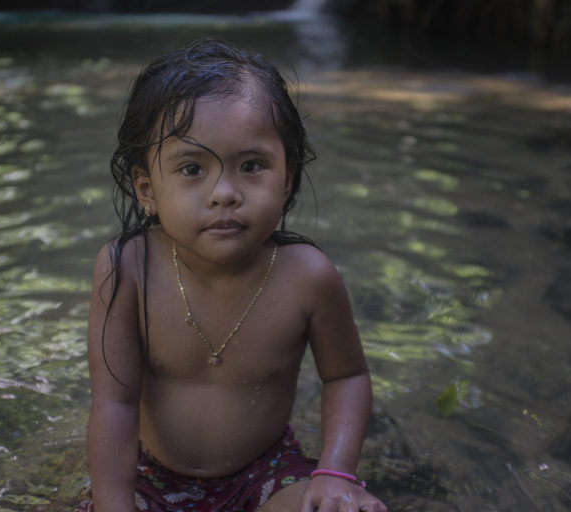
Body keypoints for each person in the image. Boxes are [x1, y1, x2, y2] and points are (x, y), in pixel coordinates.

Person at [82, 39, 387, 512]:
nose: (224, 192)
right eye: (190, 169)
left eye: (251, 166)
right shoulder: (127, 269)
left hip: (266, 473)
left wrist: (335, 474)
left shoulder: (308, 276)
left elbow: (347, 376)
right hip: (148, 475)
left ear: (286, 178)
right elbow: (114, 405)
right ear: (147, 190)